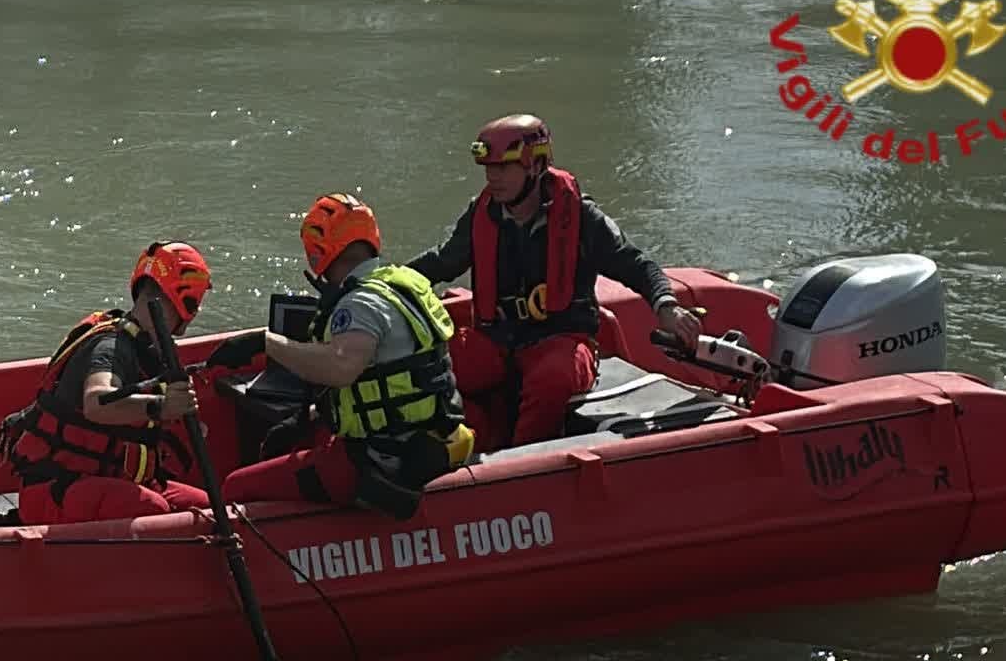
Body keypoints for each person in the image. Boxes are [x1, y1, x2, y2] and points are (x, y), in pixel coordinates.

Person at [404, 113, 702, 451]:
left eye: (503, 168)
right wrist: (388, 286)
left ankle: (521, 464)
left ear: (535, 165)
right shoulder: (482, 213)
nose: (492, 177)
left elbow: (635, 264)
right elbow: (442, 262)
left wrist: (666, 306)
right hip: (496, 337)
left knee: (552, 378)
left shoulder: (580, 217)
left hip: (561, 338)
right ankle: (466, 448)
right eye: (488, 168)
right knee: (434, 368)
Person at [207, 193, 475, 520]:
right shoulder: (404, 283)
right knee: (294, 443)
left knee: (236, 487)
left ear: (320, 252)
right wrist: (310, 416)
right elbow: (382, 377)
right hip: (424, 438)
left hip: (380, 457)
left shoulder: (358, 305)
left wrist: (266, 343)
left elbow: (340, 368)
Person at [0, 241, 215, 525]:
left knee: (208, 512)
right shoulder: (110, 347)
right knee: (153, 511)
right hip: (55, 491)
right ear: (185, 297)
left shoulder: (147, 348)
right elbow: (97, 402)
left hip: (106, 480)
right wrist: (161, 406)